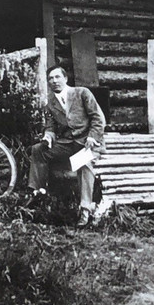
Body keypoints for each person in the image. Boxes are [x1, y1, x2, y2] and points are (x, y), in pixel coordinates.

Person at [29, 64, 106, 227]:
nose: (54, 81)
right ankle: (37, 192)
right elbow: (50, 125)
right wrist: (48, 136)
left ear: (65, 78)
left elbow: (98, 119)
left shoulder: (82, 93)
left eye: (57, 77)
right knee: (38, 150)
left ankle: (85, 210)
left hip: (87, 142)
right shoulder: (50, 103)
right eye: (51, 78)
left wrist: (92, 137)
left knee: (84, 163)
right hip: (67, 143)